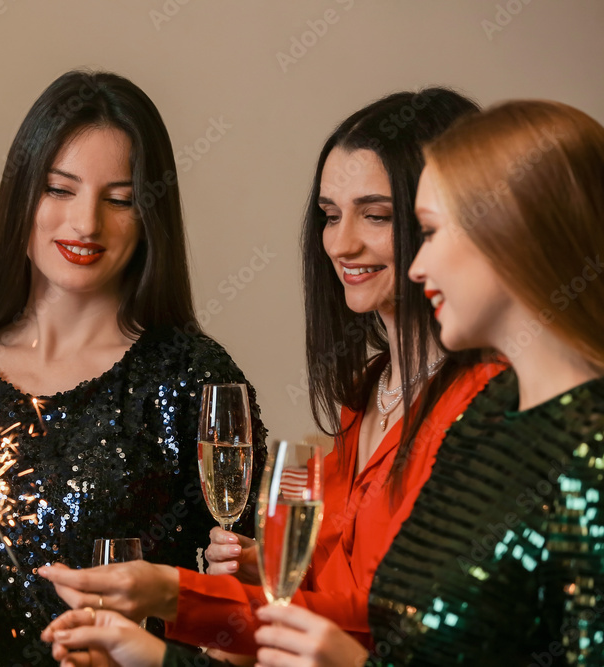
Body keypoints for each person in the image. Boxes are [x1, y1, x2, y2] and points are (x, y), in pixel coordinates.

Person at [40, 88, 506, 665]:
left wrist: (173, 597)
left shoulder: (488, 406)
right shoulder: (365, 394)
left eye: (377, 215)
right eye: (331, 216)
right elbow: (317, 617)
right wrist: (258, 581)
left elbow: (404, 627)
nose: (341, 243)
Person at [0, 69, 266, 666]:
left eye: (120, 200)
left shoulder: (196, 379)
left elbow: (239, 627)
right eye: (60, 190)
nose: (86, 224)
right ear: (21, 195)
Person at [252, 99, 604, 666]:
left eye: (426, 229)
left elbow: (384, 628)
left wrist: (187, 602)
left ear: (515, 236)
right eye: (330, 214)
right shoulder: (379, 395)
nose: (340, 244)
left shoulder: (508, 419)